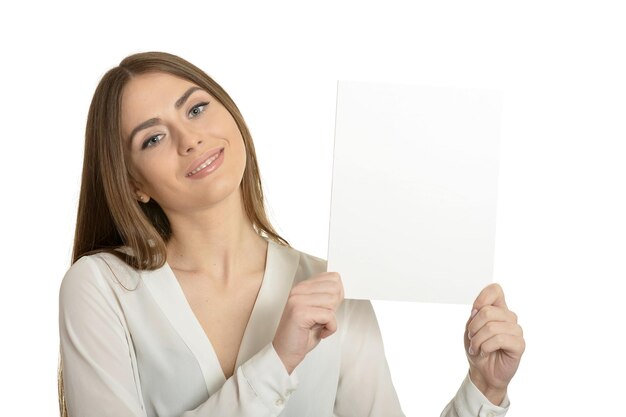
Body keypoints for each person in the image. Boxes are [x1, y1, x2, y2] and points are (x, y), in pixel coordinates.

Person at [58, 51, 525, 417]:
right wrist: (278, 360)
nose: (189, 139)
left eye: (197, 108)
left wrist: (485, 389)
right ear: (133, 183)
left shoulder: (335, 285)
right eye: (153, 138)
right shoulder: (102, 286)